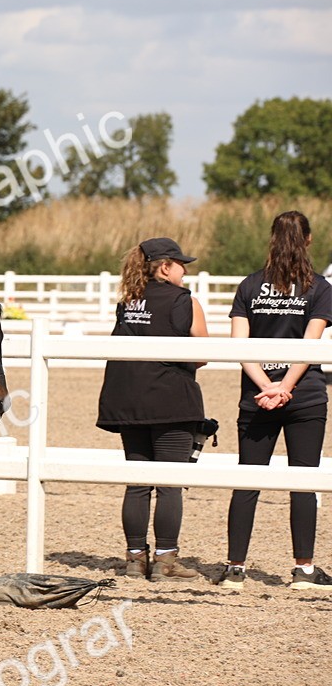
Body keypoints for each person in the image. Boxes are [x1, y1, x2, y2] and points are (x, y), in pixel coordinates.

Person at [215, 211, 332, 591]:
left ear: (271, 240)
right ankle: (304, 570)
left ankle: (235, 568)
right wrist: (285, 387)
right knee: (304, 481)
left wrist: (267, 385)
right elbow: (309, 346)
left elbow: (240, 345)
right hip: (305, 395)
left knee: (247, 480)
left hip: (256, 395)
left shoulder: (249, 286)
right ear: (309, 241)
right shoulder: (320, 288)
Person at [97, 238, 208, 581]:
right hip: (170, 401)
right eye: (180, 264)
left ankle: (134, 559)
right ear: (164, 267)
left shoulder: (126, 302)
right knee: (170, 483)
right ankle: (164, 561)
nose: (185, 270)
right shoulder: (184, 300)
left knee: (138, 483)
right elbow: (202, 354)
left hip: (130, 402)